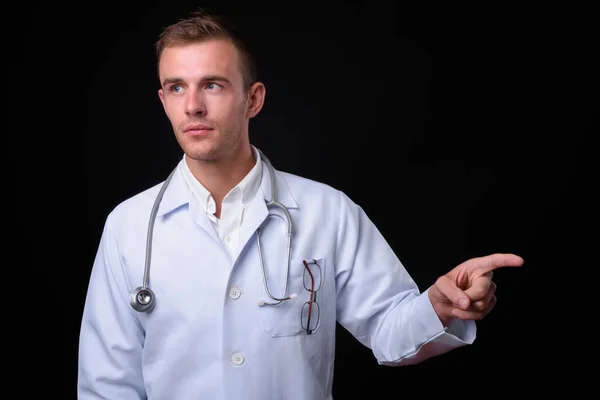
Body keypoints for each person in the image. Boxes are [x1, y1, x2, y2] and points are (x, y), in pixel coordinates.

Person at [77, 8, 524, 400]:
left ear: (253, 99)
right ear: (163, 100)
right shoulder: (129, 226)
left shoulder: (327, 212)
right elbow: (106, 384)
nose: (192, 106)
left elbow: (389, 329)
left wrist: (439, 308)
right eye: (176, 88)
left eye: (212, 85)